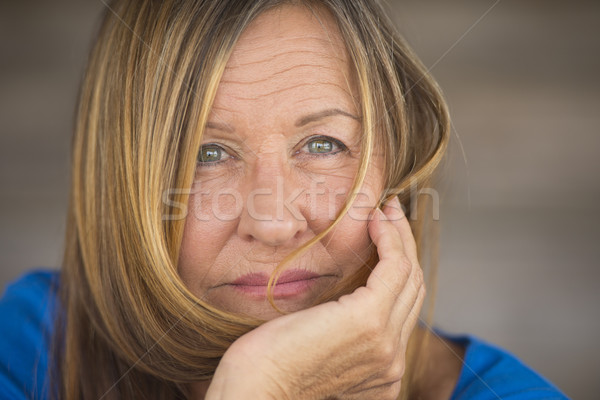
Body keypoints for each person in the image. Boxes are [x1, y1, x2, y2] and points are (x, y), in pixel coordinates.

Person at [0, 1, 569, 399]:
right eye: (206, 154)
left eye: (322, 144)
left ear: (394, 172)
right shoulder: (34, 344)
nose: (272, 223)